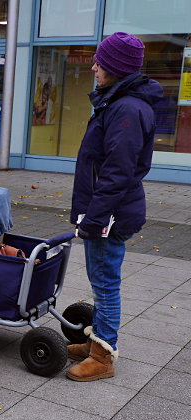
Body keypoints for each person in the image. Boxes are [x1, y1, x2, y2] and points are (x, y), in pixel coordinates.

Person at [67, 32, 163, 382]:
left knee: (105, 283)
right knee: (100, 278)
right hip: (105, 209)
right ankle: (97, 341)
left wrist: (94, 218)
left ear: (115, 69)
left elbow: (117, 172)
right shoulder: (118, 102)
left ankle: (103, 356)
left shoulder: (126, 108)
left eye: (100, 62)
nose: (94, 66)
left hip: (110, 212)